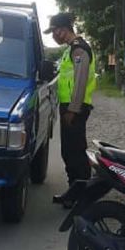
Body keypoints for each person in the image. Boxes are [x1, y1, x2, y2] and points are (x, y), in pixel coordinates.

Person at [45, 12, 96, 205]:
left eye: (53, 32)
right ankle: (74, 190)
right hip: (70, 106)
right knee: (69, 150)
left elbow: (80, 82)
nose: (53, 36)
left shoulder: (79, 49)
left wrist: (73, 110)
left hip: (76, 107)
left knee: (75, 151)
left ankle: (81, 194)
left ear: (62, 30)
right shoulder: (70, 50)